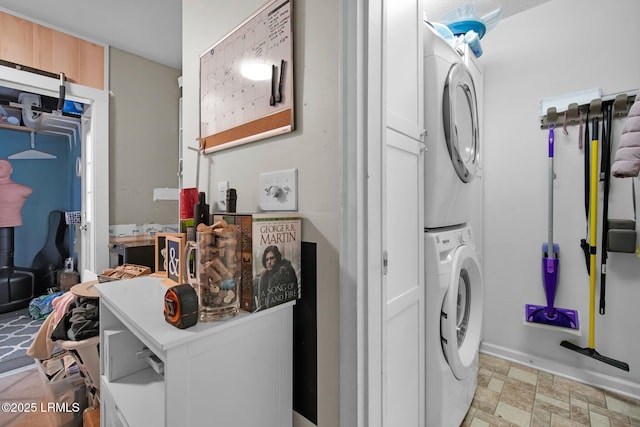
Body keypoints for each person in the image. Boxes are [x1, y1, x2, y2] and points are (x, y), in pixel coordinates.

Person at [255, 245, 298, 309]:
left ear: (277, 258)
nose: (269, 262)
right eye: (267, 260)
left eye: (272, 258)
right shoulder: (266, 274)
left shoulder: (283, 272)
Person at [0, 159, 32, 227]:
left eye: (3, 165)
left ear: (11, 170)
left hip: (12, 222)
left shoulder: (24, 190)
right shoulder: (24, 190)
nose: (0, 167)